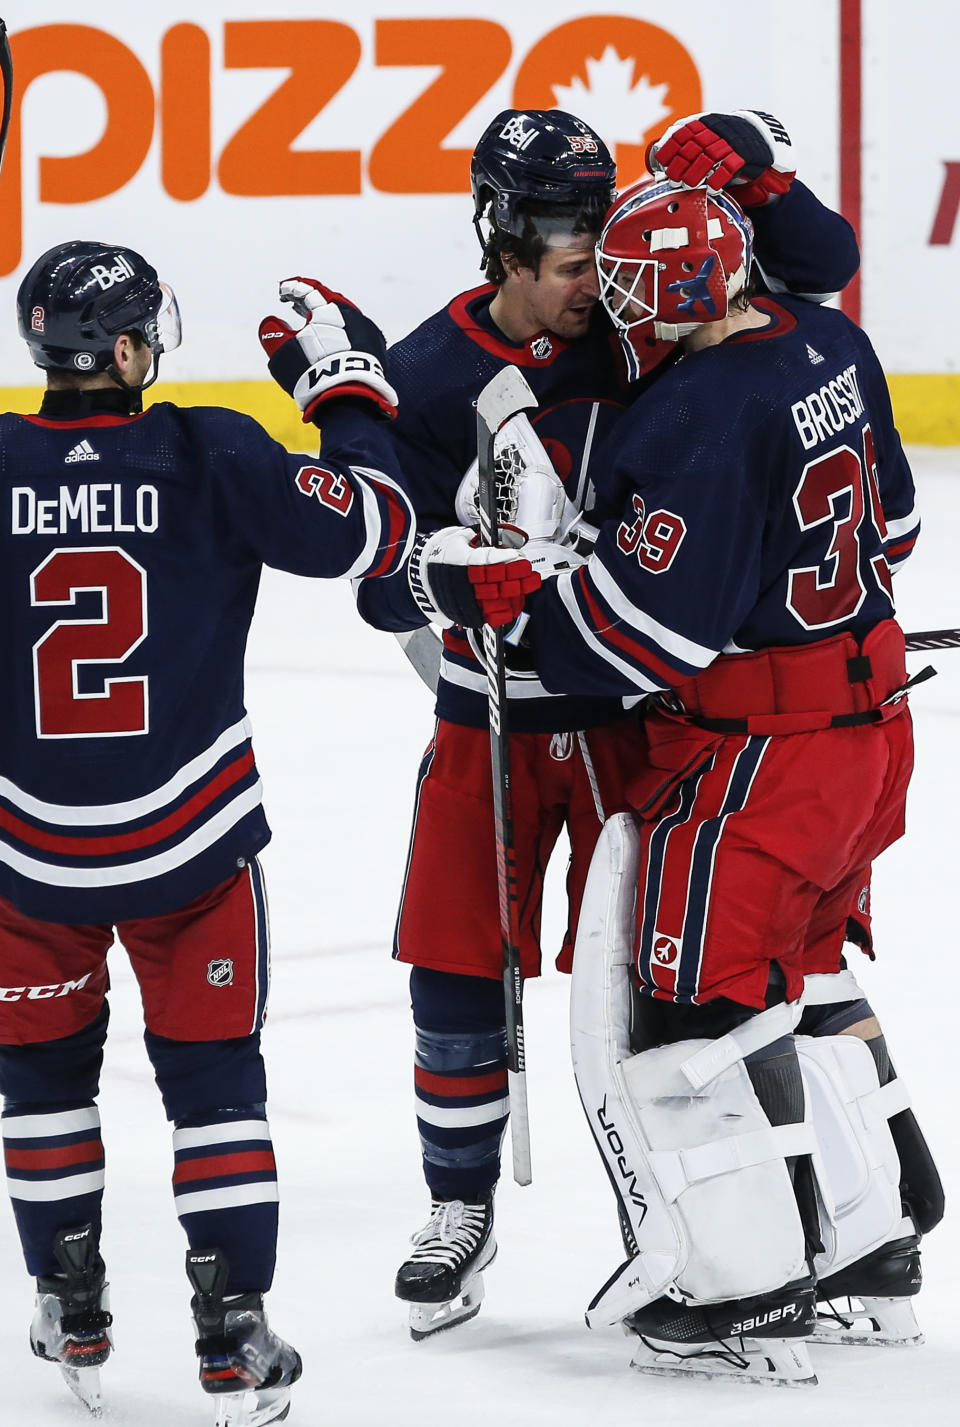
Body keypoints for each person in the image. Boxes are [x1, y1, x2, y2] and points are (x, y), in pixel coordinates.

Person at [348, 105, 862, 1339]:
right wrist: (449, 576)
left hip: (650, 711)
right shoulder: (429, 375)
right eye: (575, 265)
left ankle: (716, 1223)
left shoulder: (643, 319)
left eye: (606, 260)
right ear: (508, 249)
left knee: (680, 978)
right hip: (496, 721)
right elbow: (378, 581)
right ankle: (457, 1206)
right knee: (458, 961)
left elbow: (815, 270)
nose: (604, 289)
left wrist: (760, 168)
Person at [500, 176, 943, 1384]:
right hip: (872, 734)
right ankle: (877, 1236)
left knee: (693, 999)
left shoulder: (698, 408)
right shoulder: (828, 335)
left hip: (762, 757)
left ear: (694, 286)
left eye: (637, 284)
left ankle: (745, 1276)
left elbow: (651, 636)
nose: (619, 304)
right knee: (802, 966)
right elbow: (894, 525)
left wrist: (533, 608)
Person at [0, 243, 424, 1425]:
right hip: (192, 841)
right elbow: (375, 531)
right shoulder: (204, 446)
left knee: (38, 1077)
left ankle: (68, 1295)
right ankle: (233, 1324)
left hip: (30, 852)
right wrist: (342, 388)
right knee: (217, 1084)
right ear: (133, 350)